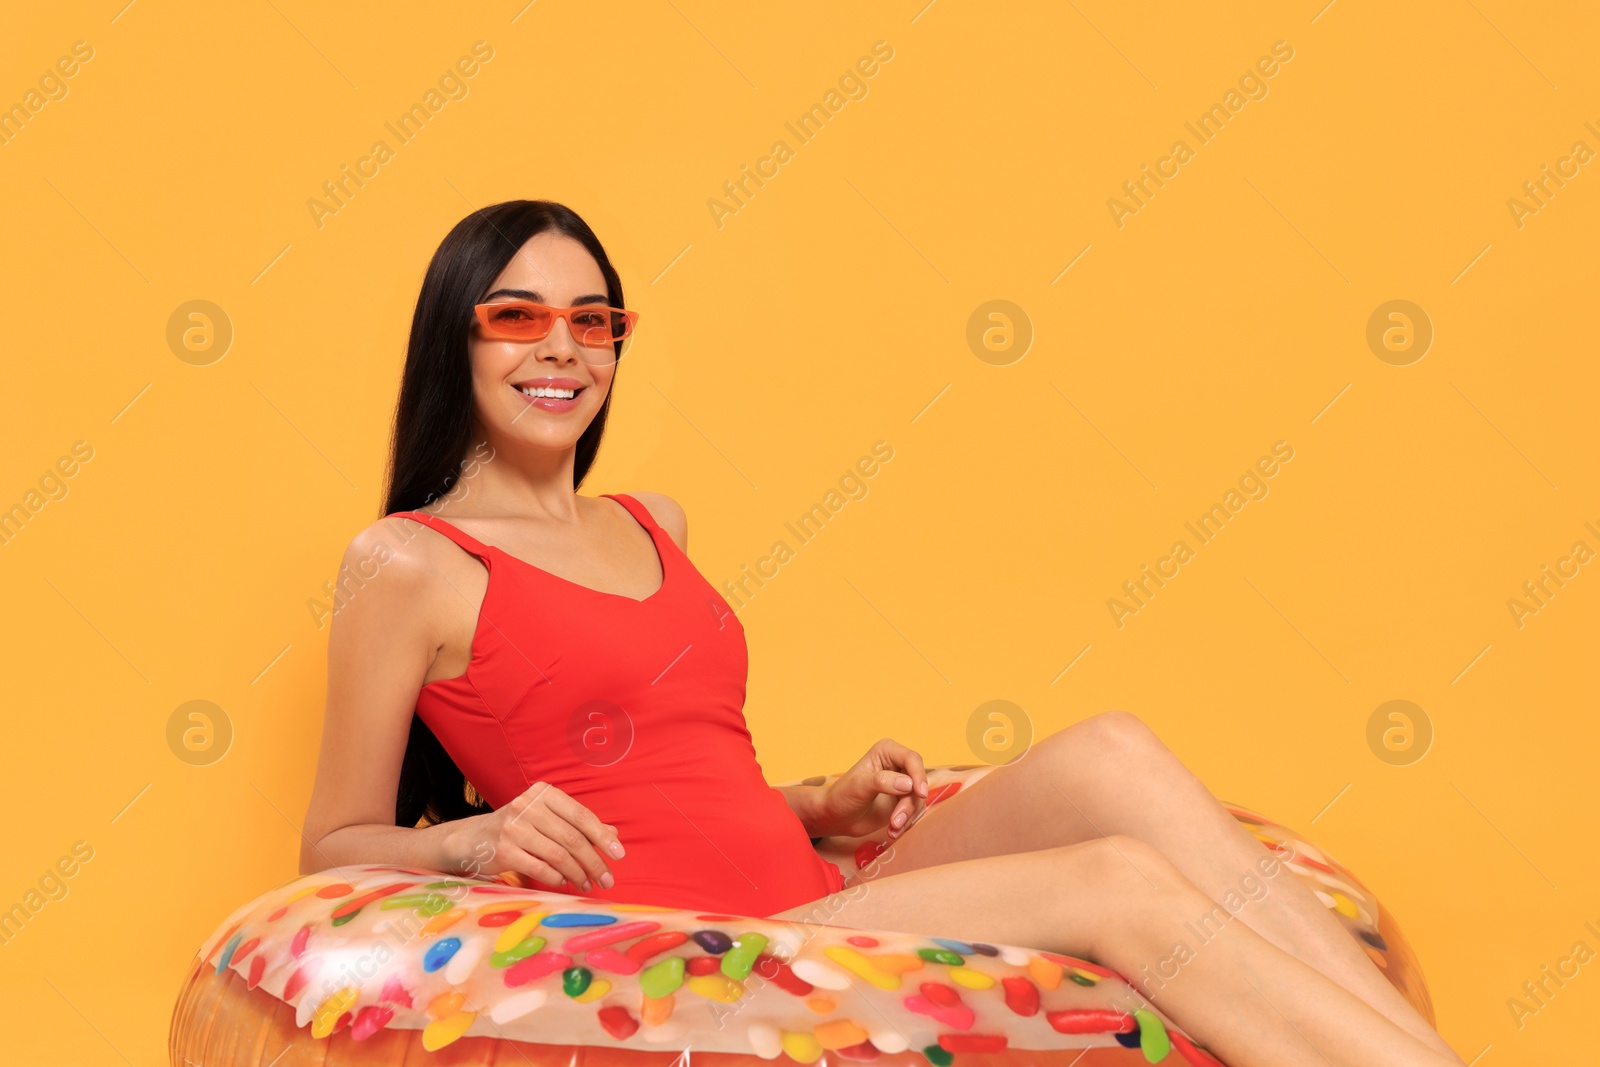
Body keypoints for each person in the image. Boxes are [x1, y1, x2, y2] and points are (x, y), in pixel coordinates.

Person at [300, 199, 1464, 1067]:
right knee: (1118, 885)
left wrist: (818, 801)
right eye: (519, 317)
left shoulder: (654, 518)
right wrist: (475, 839)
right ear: (459, 336)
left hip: (814, 879)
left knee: (1110, 746)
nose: (561, 347)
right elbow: (331, 841)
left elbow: (676, 757)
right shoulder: (410, 561)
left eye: (591, 320)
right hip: (719, 937)